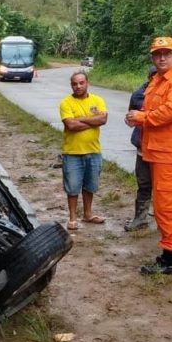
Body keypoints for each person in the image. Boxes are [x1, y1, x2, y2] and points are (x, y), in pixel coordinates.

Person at [124, 36, 172, 274]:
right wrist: (136, 117)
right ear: (152, 57)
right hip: (158, 153)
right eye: (157, 54)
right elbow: (146, 110)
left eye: (167, 53)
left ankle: (171, 257)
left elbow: (168, 113)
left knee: (167, 207)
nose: (162, 57)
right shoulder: (156, 81)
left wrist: (141, 118)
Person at [60, 72, 108, 231]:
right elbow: (71, 126)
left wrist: (79, 119)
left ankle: (88, 214)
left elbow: (103, 119)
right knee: (72, 187)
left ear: (87, 83)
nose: (78, 86)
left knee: (90, 185)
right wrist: (93, 122)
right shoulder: (66, 103)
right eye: (75, 84)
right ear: (71, 85)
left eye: (81, 83)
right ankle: (72, 218)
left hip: (94, 151)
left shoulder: (98, 100)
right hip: (72, 152)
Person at [125, 66, 157, 232]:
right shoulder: (139, 94)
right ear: (149, 77)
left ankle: (164, 220)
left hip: (162, 150)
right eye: (154, 76)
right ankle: (140, 217)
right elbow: (131, 116)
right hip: (143, 147)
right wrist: (131, 119)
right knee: (144, 184)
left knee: (163, 188)